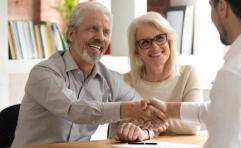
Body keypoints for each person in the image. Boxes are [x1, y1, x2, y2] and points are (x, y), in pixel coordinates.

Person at [11, 2, 166, 147]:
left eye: (106, 32)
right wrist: (128, 110)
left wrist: (145, 131)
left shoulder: (111, 80)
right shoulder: (43, 73)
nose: (100, 37)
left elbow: (146, 114)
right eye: (92, 29)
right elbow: (73, 109)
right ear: (71, 35)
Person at [146, 0, 241, 147]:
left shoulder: (235, 73)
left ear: (222, 7)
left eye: (211, 6)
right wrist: (168, 110)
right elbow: (226, 109)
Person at [114, 12, 203, 142]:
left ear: (170, 41)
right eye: (145, 42)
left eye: (160, 38)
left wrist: (152, 123)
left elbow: (194, 124)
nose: (154, 47)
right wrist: (163, 124)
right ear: (136, 51)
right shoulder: (124, 82)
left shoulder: (189, 74)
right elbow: (116, 131)